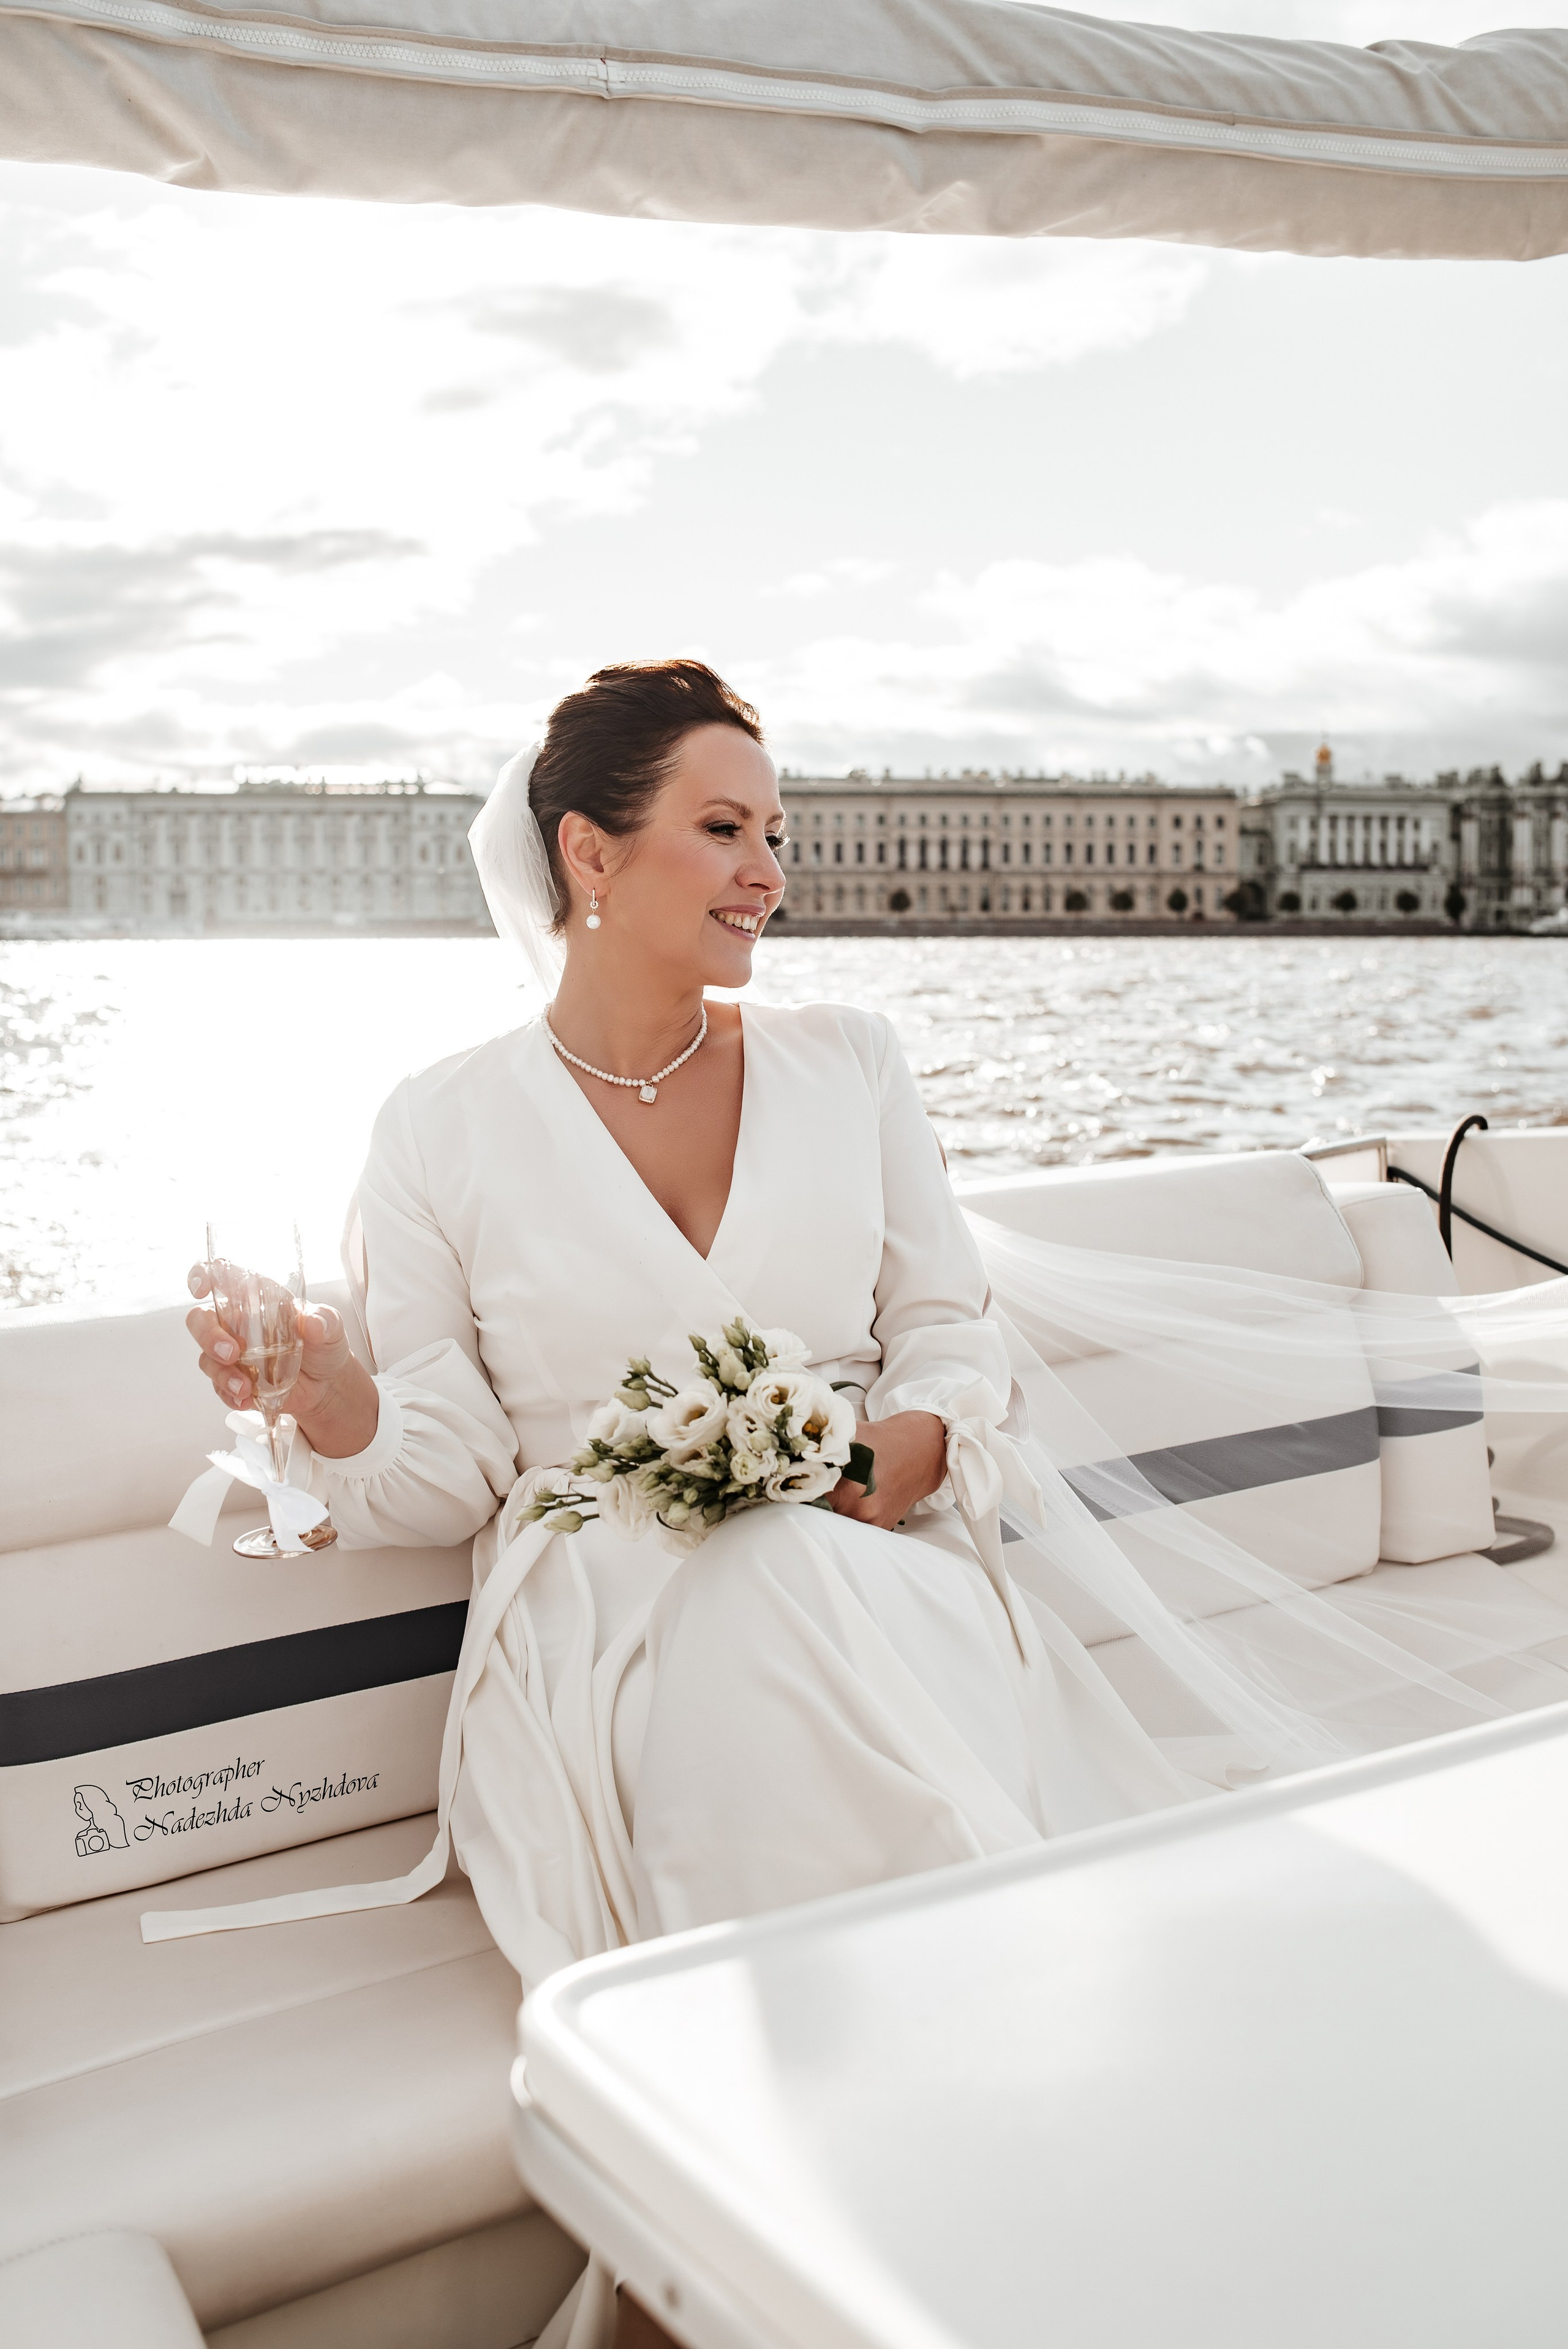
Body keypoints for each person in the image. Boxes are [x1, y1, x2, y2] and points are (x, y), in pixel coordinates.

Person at [184, 658, 1568, 2349]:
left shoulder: (853, 1062)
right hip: (602, 1614)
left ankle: (819, 2232)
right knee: (754, 1605)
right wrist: (324, 1394)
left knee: (792, 1591)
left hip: (865, 1549)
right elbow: (449, 1470)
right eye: (725, 828)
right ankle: (955, 2203)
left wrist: (907, 1445)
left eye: (780, 829)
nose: (774, 867)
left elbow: (947, 1326)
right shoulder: (439, 1126)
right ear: (590, 855)